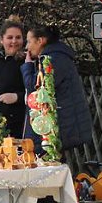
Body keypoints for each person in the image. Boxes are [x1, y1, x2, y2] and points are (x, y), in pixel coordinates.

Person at [21, 25, 92, 153]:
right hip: (60, 123)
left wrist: (27, 66)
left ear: (40, 41)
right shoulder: (53, 57)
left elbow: (35, 86)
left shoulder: (54, 59)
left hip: (62, 124)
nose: (27, 47)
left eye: (29, 41)